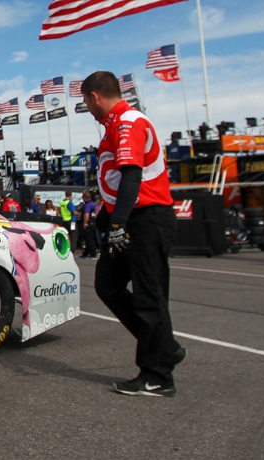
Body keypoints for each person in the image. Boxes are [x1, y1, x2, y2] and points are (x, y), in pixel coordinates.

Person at [82, 71, 185, 397]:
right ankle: (165, 346)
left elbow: (131, 176)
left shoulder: (128, 122)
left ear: (94, 97)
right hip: (127, 218)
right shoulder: (113, 126)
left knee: (149, 297)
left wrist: (117, 224)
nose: (87, 108)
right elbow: (113, 184)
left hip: (146, 219)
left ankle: (158, 375)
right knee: (107, 285)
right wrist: (106, 219)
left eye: (85, 102)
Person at [80, 191, 98, 258]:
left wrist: (85, 223)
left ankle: (93, 253)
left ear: (84, 197)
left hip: (89, 223)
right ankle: (86, 253)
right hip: (93, 222)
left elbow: (86, 214)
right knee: (88, 239)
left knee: (90, 239)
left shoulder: (87, 205)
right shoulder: (92, 203)